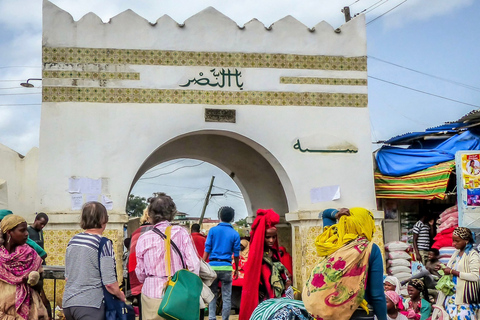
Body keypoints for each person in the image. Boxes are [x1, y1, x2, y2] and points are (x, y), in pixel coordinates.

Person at [301, 208, 387, 320]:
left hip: (326, 312)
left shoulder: (332, 241)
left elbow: (326, 215)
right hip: (358, 312)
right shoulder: (370, 249)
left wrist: (336, 214)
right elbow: (376, 295)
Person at [135, 194, 200, 320]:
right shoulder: (181, 232)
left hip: (151, 293)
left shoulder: (143, 238)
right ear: (172, 213)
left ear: (150, 214)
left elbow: (140, 272)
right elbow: (194, 265)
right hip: (177, 293)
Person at [62, 201, 125, 320]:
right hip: (90, 305)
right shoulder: (103, 243)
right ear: (103, 220)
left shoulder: (73, 240)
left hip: (68, 303)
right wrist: (120, 295)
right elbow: (109, 283)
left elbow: (67, 276)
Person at [239, 209, 291, 320]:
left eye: (274, 237)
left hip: (279, 296)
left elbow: (281, 273)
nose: (271, 240)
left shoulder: (276, 254)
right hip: (264, 298)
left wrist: (286, 281)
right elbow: (253, 280)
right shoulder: (256, 258)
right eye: (268, 237)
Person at [0, 214, 48, 320]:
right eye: (22, 231)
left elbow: (39, 285)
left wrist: (33, 280)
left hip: (31, 312)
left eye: (26, 230)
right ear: (9, 232)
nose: (26, 234)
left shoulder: (31, 254)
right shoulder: (0, 258)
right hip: (4, 312)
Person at [432, 227, 480, 320]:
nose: (453, 244)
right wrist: (443, 268)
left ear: (466, 240)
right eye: (453, 241)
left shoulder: (473, 255)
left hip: (464, 299)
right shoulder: (456, 253)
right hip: (452, 297)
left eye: (457, 241)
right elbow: (453, 270)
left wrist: (452, 272)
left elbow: (475, 276)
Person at [203, 206, 241, 320]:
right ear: (232, 218)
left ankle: (211, 317)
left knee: (212, 295)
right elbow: (237, 254)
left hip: (213, 267)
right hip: (227, 268)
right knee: (226, 297)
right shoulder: (235, 234)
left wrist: (203, 264)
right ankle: (225, 319)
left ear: (219, 216)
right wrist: (237, 269)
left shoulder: (213, 231)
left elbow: (207, 249)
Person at [128, 208, 153, 319]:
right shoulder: (161, 232)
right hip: (156, 279)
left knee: (143, 311)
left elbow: (131, 256)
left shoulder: (136, 233)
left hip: (137, 278)